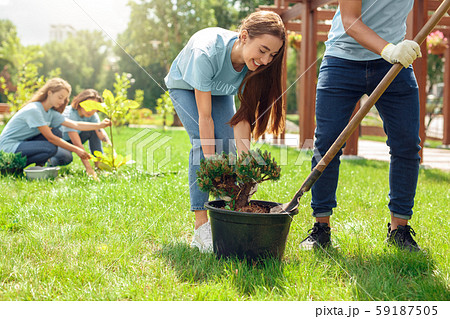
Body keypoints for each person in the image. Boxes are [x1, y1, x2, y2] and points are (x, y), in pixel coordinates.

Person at [301, 0, 422, 252]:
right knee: (328, 144)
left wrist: (392, 53)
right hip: (342, 61)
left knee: (407, 145)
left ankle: (399, 230)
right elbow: (350, 21)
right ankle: (320, 229)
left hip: (393, 64)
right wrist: (390, 50)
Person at [164, 11, 286, 252]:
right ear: (243, 36)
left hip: (220, 92)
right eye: (262, 50)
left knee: (229, 146)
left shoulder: (255, 67)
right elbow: (205, 117)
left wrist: (245, 164)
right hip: (186, 87)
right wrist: (211, 164)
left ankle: (232, 208)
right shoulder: (206, 53)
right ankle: (201, 229)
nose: (265, 60)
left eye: (272, 55)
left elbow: (243, 118)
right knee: (204, 145)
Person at [0, 78, 111, 170]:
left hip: (23, 143)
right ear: (49, 93)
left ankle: (34, 168)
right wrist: (76, 149)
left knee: (56, 132)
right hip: (8, 146)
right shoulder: (35, 109)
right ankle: (12, 166)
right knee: (51, 147)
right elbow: (51, 138)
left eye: (64, 99)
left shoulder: (51, 113)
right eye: (60, 97)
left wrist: (100, 125)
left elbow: (75, 125)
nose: (62, 102)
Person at [49, 89, 112, 178]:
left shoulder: (92, 115)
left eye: (95, 107)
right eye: (88, 105)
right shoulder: (70, 113)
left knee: (94, 128)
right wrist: (89, 168)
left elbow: (100, 132)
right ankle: (49, 163)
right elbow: (77, 144)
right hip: (61, 142)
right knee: (66, 157)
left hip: (76, 139)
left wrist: (111, 149)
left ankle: (99, 166)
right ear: (80, 102)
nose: (90, 110)